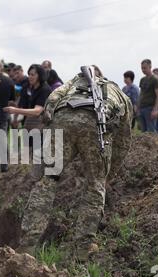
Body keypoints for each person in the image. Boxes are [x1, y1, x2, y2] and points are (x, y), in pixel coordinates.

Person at [40, 65, 132, 260]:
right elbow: (123, 141)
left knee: (48, 179)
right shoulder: (117, 92)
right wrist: (109, 174)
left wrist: (49, 117)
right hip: (95, 126)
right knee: (95, 186)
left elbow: (53, 98)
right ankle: (82, 248)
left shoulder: (73, 83)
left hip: (62, 120)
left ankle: (29, 241)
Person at [4, 64, 52, 178]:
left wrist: (15, 110)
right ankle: (25, 177)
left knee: (38, 156)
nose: (30, 77)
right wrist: (15, 117)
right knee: (25, 155)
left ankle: (38, 179)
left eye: (33, 75)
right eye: (29, 74)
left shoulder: (45, 89)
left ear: (40, 76)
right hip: (29, 125)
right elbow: (23, 106)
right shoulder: (27, 88)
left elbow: (37, 111)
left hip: (42, 126)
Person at [138, 59, 158, 133]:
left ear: (150, 67)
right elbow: (141, 93)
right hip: (142, 108)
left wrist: (155, 109)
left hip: (150, 108)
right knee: (143, 131)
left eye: (145, 68)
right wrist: (138, 106)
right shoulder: (142, 80)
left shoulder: (155, 79)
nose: (143, 70)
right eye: (142, 68)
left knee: (151, 132)